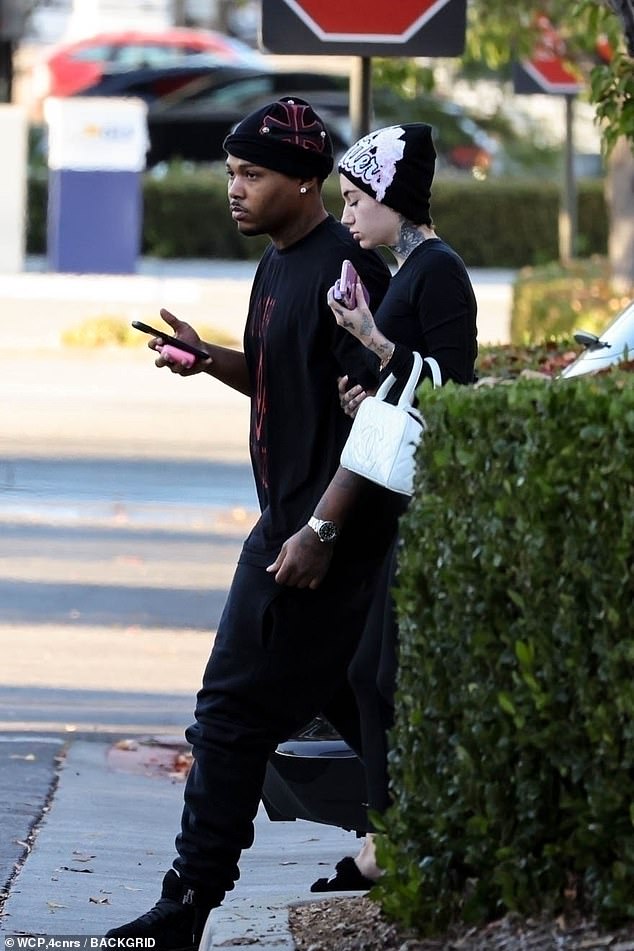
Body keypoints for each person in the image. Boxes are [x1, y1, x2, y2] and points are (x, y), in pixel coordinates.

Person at [105, 97, 403, 949]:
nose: (234, 190)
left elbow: (380, 418)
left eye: (253, 175)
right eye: (231, 174)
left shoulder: (349, 266)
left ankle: (184, 906)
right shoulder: (278, 263)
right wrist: (213, 362)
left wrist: (323, 533)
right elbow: (285, 377)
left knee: (230, 713)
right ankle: (418, 846)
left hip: (320, 543)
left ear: (308, 181)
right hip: (291, 529)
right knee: (368, 712)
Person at [272, 123, 478, 891]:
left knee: (376, 675)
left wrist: (374, 343)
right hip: (396, 500)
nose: (348, 218)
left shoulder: (440, 273)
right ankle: (390, 837)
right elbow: (406, 389)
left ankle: (393, 843)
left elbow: (453, 389)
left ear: (394, 198)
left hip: (423, 506)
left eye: (359, 201)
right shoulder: (409, 271)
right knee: (368, 673)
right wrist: (363, 383)